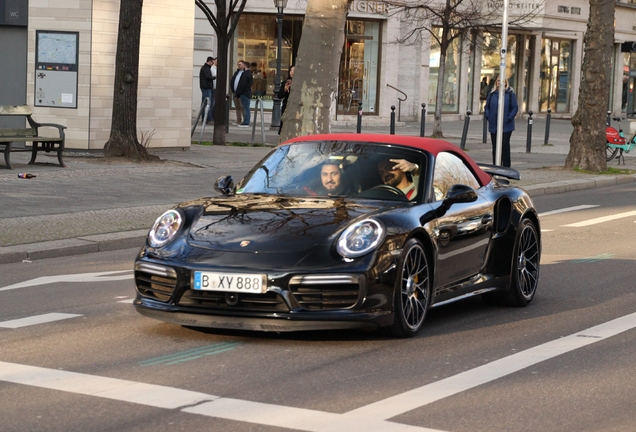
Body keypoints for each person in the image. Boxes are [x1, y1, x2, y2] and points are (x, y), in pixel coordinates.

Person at [484, 75, 518, 167]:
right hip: (494, 125)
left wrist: (509, 117)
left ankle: (506, 167)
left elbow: (515, 107)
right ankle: (496, 166)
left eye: (501, 81)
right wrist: (488, 116)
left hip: (506, 126)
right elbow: (487, 107)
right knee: (495, 147)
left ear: (505, 82)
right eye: (498, 81)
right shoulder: (492, 94)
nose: (499, 82)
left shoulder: (510, 94)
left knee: (504, 146)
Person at [230, 60, 253, 127]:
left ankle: (245, 121)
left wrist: (240, 91)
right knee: (238, 107)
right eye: (238, 64)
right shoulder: (237, 73)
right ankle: (239, 120)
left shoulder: (246, 73)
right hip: (236, 92)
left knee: (244, 107)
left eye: (240, 64)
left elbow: (244, 84)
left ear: (244, 65)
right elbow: (233, 81)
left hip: (242, 93)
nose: (238, 66)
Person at [277, 65, 295, 135]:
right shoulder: (285, 82)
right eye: (291, 70)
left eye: (294, 71)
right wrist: (285, 89)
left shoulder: (300, 84)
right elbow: (279, 96)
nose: (292, 72)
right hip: (286, 105)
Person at [199, 56, 216, 124]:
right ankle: (208, 118)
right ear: (210, 61)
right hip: (206, 87)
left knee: (205, 102)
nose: (213, 63)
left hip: (206, 87)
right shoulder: (206, 68)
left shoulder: (206, 67)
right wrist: (215, 77)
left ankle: (204, 118)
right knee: (207, 103)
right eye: (212, 62)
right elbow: (208, 77)